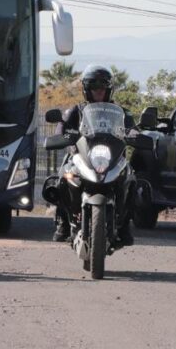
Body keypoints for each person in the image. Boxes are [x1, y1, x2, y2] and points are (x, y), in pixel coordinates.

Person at [51, 65, 135, 245]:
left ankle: (125, 224)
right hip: (81, 155)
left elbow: (132, 129)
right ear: (86, 90)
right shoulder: (76, 110)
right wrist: (64, 135)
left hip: (111, 156)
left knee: (132, 179)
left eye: (102, 88)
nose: (98, 91)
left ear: (108, 90)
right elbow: (61, 128)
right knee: (62, 177)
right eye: (94, 88)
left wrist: (135, 134)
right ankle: (63, 221)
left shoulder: (121, 112)